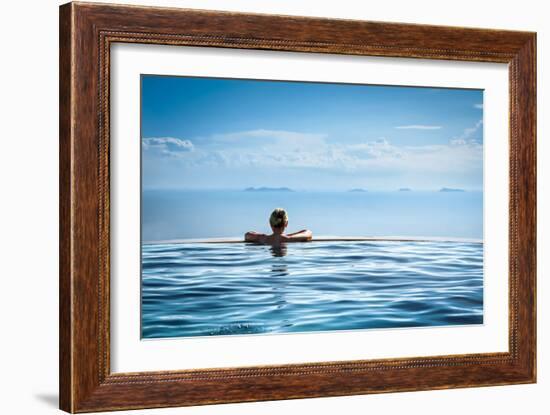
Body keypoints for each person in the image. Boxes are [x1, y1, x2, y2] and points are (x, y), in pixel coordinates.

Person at [244, 208, 312, 245]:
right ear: (286, 224)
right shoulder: (289, 239)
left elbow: (247, 234)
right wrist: (289, 235)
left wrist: (263, 235)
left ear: (270, 223)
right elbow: (308, 232)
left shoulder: (263, 238)